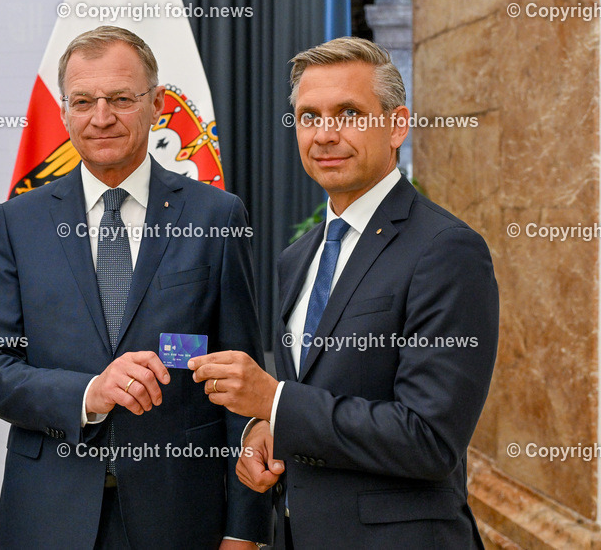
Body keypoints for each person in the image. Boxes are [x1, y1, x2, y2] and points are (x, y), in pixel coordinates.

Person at [0, 26, 270, 549]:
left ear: (155, 106)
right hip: (47, 515)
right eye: (83, 101)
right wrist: (89, 393)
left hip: (181, 516)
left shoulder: (217, 215)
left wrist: (244, 528)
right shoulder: (18, 222)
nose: (100, 117)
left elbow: (242, 380)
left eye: (121, 99)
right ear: (63, 112)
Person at [189, 37, 498, 549]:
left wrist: (276, 401)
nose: (325, 134)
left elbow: (429, 439)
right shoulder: (298, 256)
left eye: (350, 113)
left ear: (397, 125)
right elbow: (313, 399)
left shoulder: (446, 249)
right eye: (309, 117)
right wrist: (267, 432)